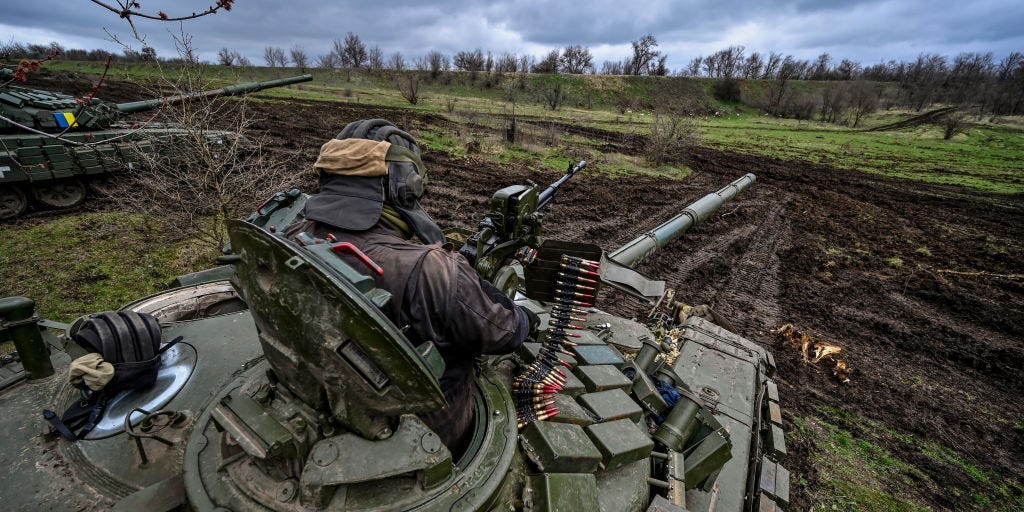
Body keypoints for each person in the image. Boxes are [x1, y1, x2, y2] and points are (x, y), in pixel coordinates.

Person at [285, 119, 536, 455]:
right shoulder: (430, 271)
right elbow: (505, 332)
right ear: (404, 185)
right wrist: (527, 319)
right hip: (425, 436)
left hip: (325, 399)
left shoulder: (290, 236)